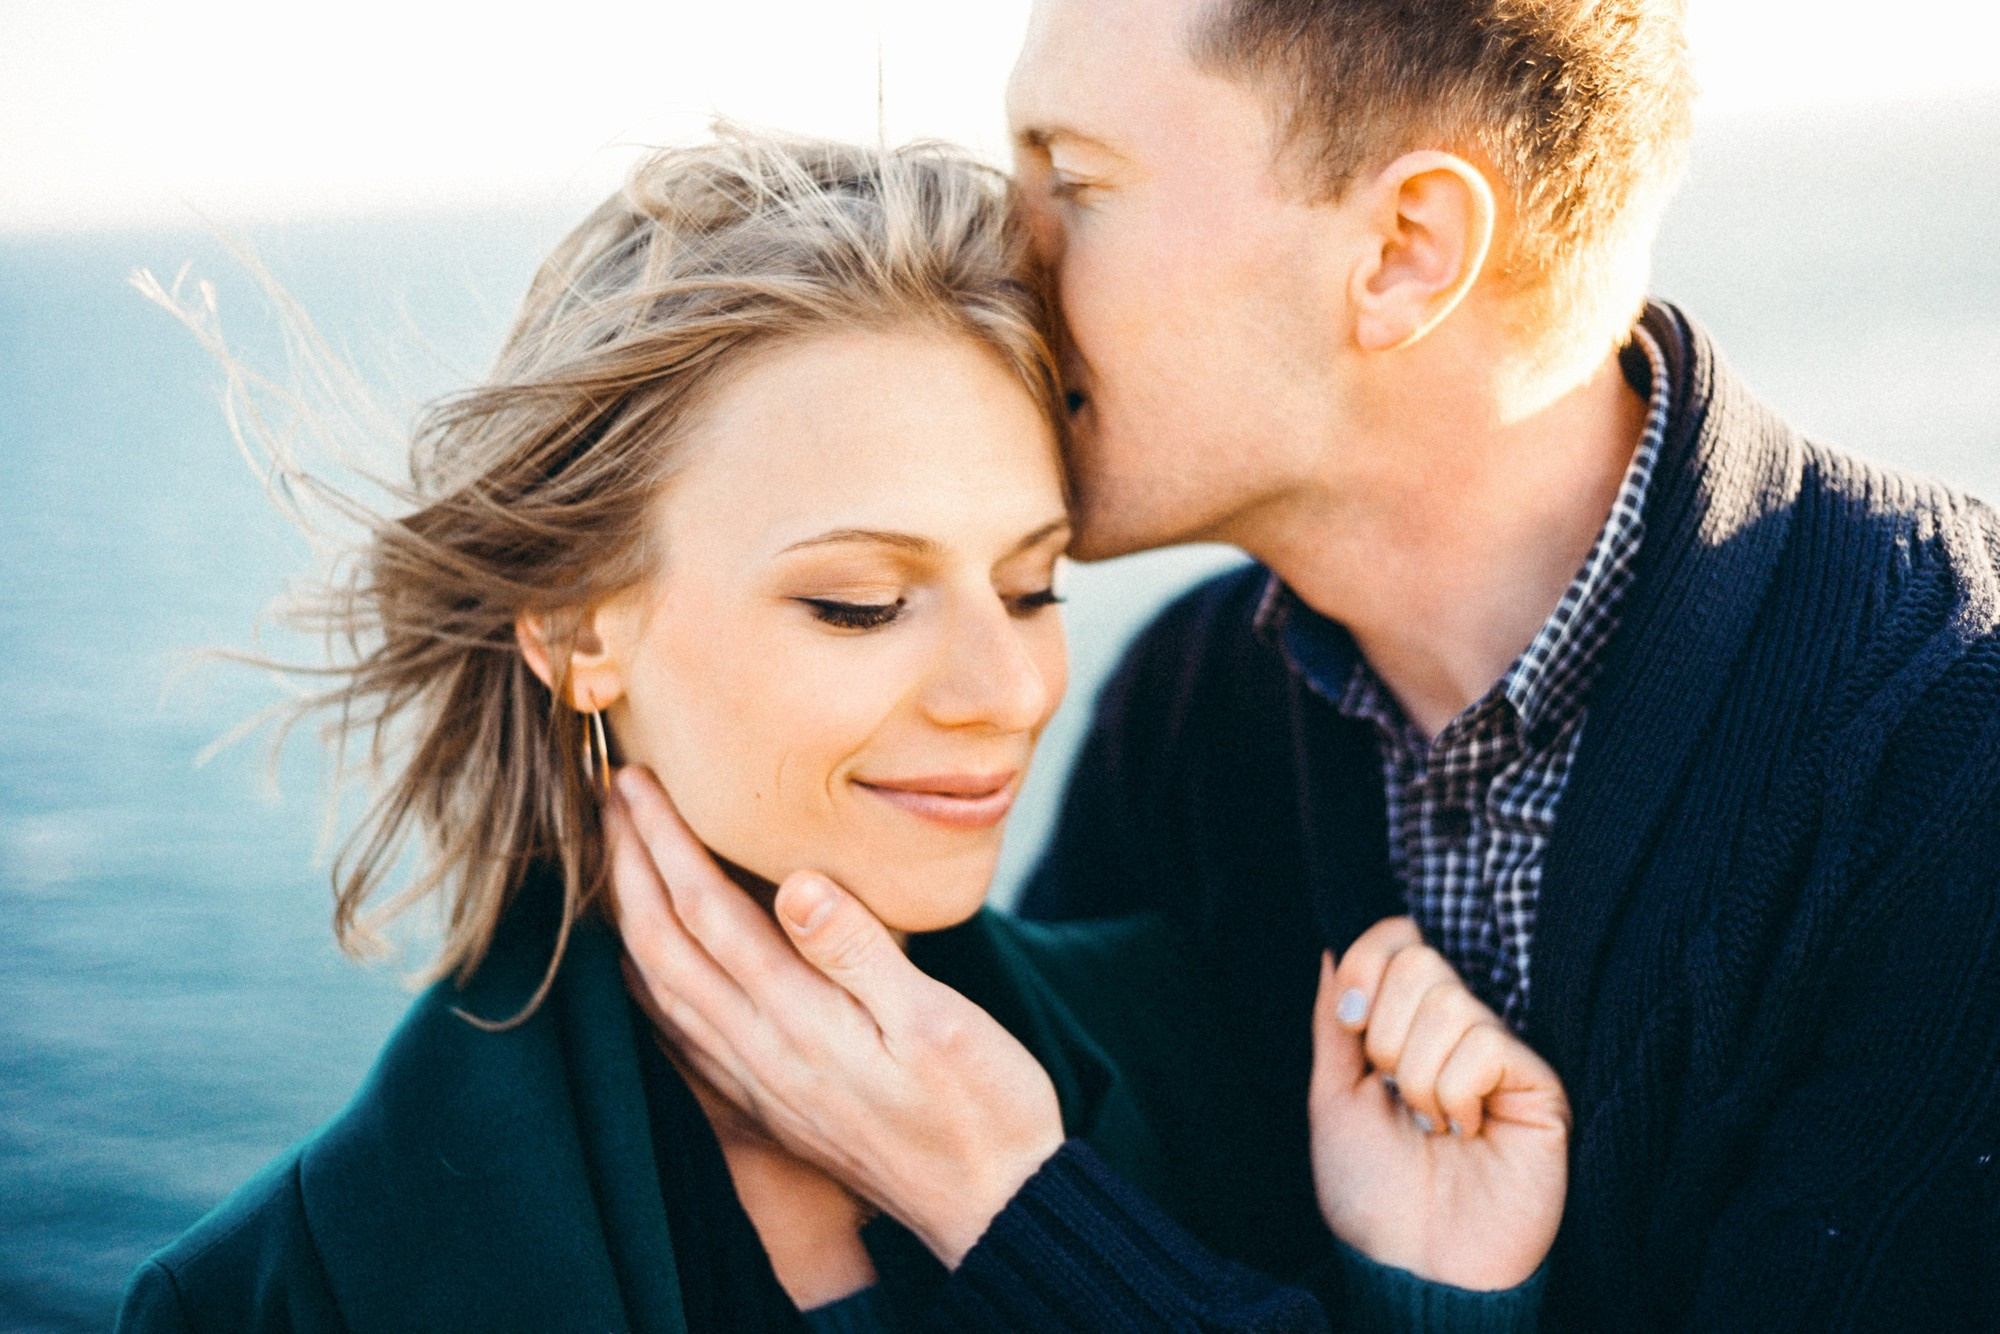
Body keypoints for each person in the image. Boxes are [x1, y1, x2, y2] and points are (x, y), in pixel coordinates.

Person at [611, 0, 2000, 1329]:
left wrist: (995, 1198)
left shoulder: (1952, 765)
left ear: (1403, 248)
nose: (996, 255)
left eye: (1073, 179)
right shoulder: (1193, 713)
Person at [117, 131, 1570, 1333]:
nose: (1005, 690)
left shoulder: (1218, 1063)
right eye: (861, 604)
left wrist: (1428, 1303)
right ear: (574, 630)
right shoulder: (270, 1299)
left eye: (1030, 587)